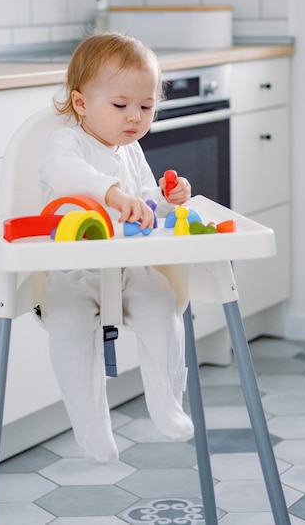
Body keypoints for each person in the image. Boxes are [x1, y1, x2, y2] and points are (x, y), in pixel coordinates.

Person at [38, 32, 194, 465]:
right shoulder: (67, 143)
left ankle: (167, 403)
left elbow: (147, 206)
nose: (135, 117)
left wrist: (168, 198)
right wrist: (110, 193)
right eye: (121, 105)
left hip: (130, 269)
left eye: (146, 107)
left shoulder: (133, 151)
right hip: (76, 271)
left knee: (163, 308)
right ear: (82, 103)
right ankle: (91, 425)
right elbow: (66, 174)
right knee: (69, 326)